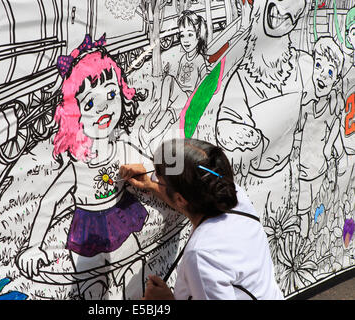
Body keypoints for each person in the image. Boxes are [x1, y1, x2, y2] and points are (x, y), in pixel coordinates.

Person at [16, 34, 152, 299]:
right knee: (92, 291)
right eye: (90, 103)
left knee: (137, 278)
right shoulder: (77, 166)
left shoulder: (122, 148)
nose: (103, 108)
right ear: (74, 114)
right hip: (87, 231)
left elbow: (153, 169)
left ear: (123, 94)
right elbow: (48, 203)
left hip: (121, 218)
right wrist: (33, 246)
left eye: (111, 94)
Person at [119, 138, 284, 300]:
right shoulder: (233, 196)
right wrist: (150, 185)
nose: (155, 178)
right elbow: (190, 198)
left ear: (181, 199)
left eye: (159, 179)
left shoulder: (201, 255)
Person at [139, 10, 209, 154]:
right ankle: (151, 133)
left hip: (188, 97)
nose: (186, 40)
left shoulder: (199, 59)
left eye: (190, 34)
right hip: (178, 96)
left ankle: (152, 130)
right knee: (169, 80)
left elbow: (204, 81)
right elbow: (176, 81)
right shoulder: (183, 58)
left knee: (169, 83)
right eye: (182, 35)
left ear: (198, 35)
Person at [297, 36, 345, 238]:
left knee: (317, 197)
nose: (323, 75)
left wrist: (329, 148)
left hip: (318, 164)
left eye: (330, 72)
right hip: (303, 164)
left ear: (335, 80)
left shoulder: (334, 103)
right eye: (319, 65)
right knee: (303, 202)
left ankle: (312, 227)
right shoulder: (306, 100)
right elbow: (298, 128)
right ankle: (304, 229)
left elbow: (335, 125)